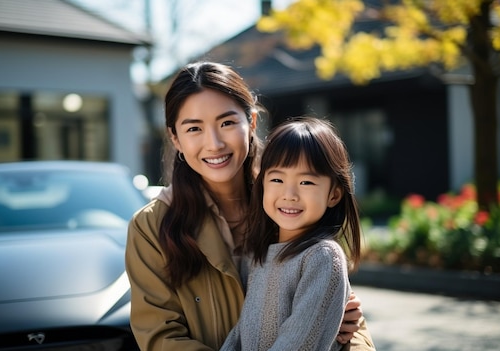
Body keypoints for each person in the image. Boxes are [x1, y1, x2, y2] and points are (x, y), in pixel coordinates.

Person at [125, 61, 374, 351]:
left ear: (252, 123)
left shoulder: (285, 204)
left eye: (227, 123)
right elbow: (160, 339)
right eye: (194, 128)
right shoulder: (151, 227)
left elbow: (350, 326)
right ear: (175, 138)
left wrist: (345, 327)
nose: (214, 143)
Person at [220, 116, 362, 351]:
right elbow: (242, 332)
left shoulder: (322, 257)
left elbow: (298, 343)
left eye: (306, 182)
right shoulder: (260, 254)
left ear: (334, 195)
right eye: (277, 179)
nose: (289, 194)